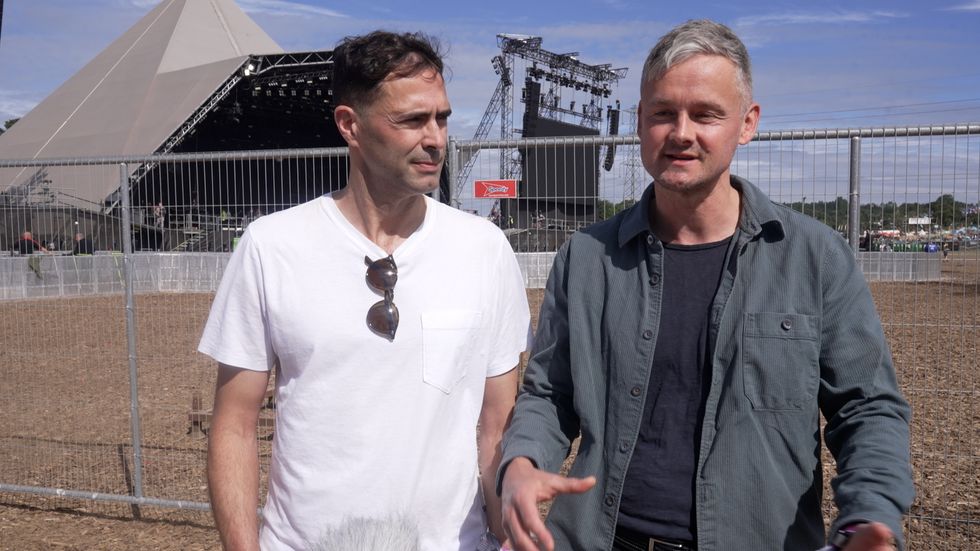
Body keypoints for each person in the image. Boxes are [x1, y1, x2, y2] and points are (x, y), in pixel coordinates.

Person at [498, 19, 913, 551]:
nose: (681, 133)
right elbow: (549, 395)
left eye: (706, 114)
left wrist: (868, 515)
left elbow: (867, 408)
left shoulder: (813, 257)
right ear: (640, 121)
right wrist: (523, 463)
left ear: (747, 123)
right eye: (663, 113)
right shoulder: (587, 258)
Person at [199, 30, 530, 551]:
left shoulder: (484, 250)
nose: (436, 138)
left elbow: (496, 425)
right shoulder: (272, 247)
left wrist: (509, 532)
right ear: (350, 125)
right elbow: (235, 425)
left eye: (441, 117)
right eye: (411, 120)